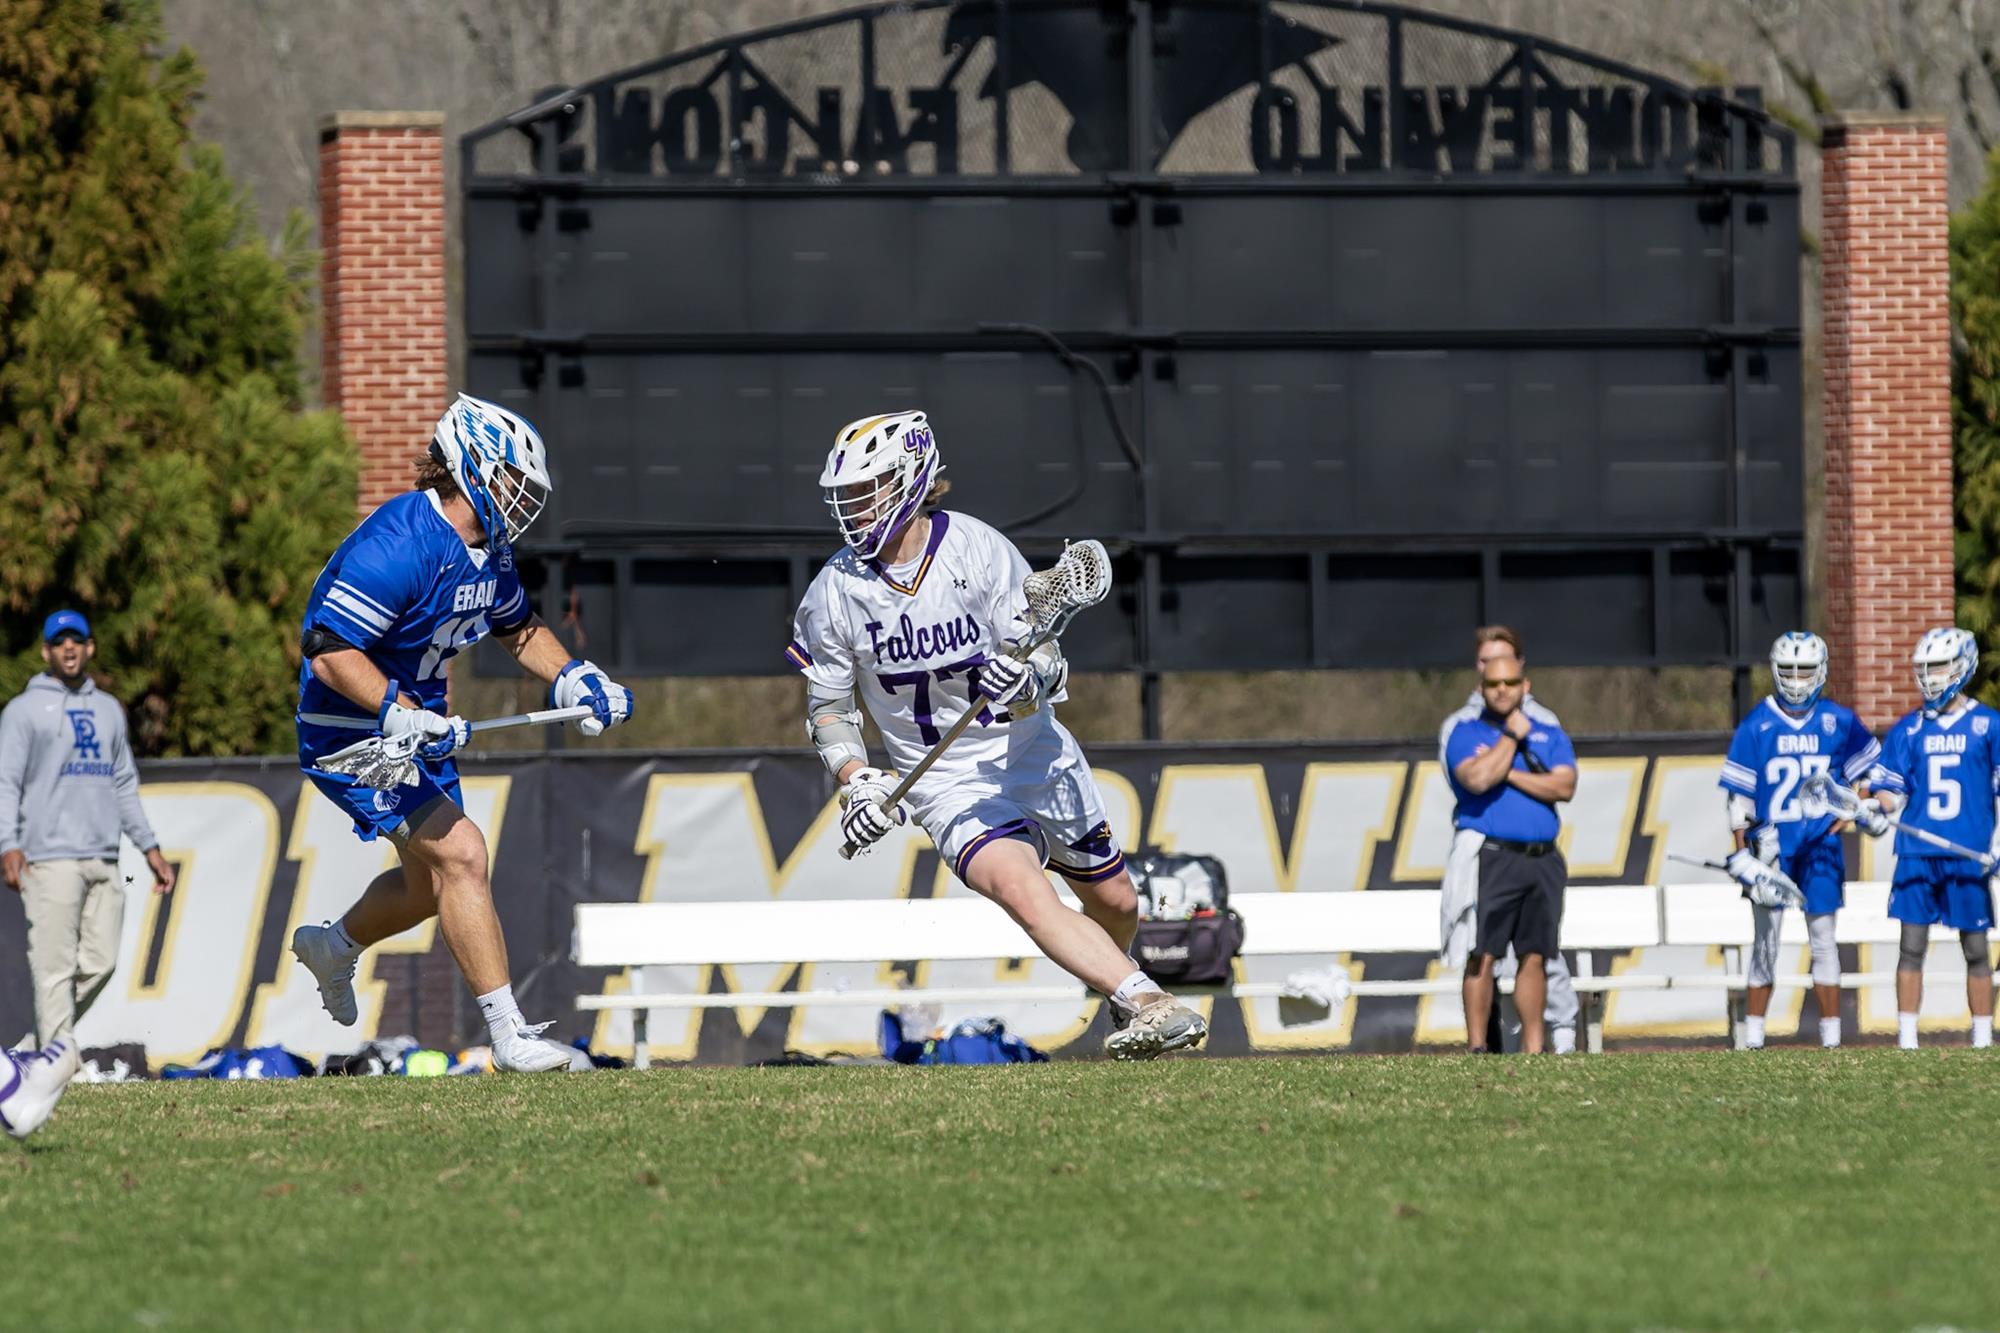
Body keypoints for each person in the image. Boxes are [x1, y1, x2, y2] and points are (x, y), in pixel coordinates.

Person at [788, 409, 1205, 1060]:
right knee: (1022, 889)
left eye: (868, 491)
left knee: (1118, 901)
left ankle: (1118, 988)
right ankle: (1149, 1001)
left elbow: (1043, 660)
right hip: (947, 783)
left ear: (912, 478)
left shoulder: (976, 549)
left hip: (1030, 751)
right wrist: (857, 779)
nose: (856, 509)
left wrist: (1027, 684)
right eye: (847, 497)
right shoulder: (833, 593)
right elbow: (830, 708)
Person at [289, 394, 634, 1072]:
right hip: (352, 733)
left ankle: (333, 945)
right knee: (466, 856)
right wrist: (394, 709)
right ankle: (509, 1036)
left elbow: (517, 628)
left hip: (415, 728)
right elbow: (326, 647)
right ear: (472, 464)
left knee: (430, 886)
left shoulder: (488, 547)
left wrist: (573, 677)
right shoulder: (400, 542)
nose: (520, 497)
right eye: (511, 478)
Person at [0, 610, 177, 1048]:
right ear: (46, 651)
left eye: (76, 640)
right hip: (48, 857)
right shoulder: (24, 711)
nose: (69, 648)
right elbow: (6, 780)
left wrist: (149, 848)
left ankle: (38, 1049)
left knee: (102, 962)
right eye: (59, 641)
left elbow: (123, 782)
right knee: (54, 966)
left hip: (104, 854)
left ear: (89, 647)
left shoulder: (109, 710)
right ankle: (54, 1061)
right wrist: (8, 843)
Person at [1716, 632, 1878, 1049]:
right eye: (1788, 670)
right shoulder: (1758, 722)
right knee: (1765, 945)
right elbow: (1740, 798)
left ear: (1821, 670)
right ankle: (1752, 1038)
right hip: (1771, 849)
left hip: (1819, 849)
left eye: (1804, 670)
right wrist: (1742, 853)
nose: (1796, 679)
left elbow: (1869, 776)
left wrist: (1848, 815)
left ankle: (1831, 1039)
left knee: (1823, 940)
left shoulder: (1837, 721)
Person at [1438, 626, 1580, 1053]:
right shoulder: (1464, 730)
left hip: (1541, 859)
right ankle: (1479, 1048)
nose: (1502, 690)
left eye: (1510, 682)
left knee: (1535, 955)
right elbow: (1477, 779)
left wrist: (1511, 772)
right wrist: (1511, 739)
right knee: (1482, 953)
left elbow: (1565, 787)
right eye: (1493, 683)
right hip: (1492, 857)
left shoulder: (1548, 728)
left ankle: (1534, 1049)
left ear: (1525, 682)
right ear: (1480, 686)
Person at [1859, 627, 1999, 1050]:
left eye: (1938, 667)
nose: (1931, 677)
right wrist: (1875, 812)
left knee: (1976, 948)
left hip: (1967, 854)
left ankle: (1980, 1037)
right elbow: (1890, 791)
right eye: (1925, 669)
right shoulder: (1909, 729)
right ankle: (1906, 1038)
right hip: (1917, 853)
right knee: (1911, 945)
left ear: (1962, 666)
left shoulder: (1987, 725)